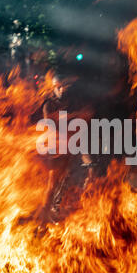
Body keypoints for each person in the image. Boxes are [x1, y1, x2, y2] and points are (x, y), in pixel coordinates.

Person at [35, 75, 94, 227]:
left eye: (64, 86)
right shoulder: (49, 104)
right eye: (59, 87)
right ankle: (43, 219)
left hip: (69, 147)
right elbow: (51, 122)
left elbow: (78, 125)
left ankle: (58, 211)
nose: (62, 89)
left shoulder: (69, 103)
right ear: (53, 87)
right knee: (52, 184)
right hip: (55, 151)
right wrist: (76, 115)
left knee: (70, 180)